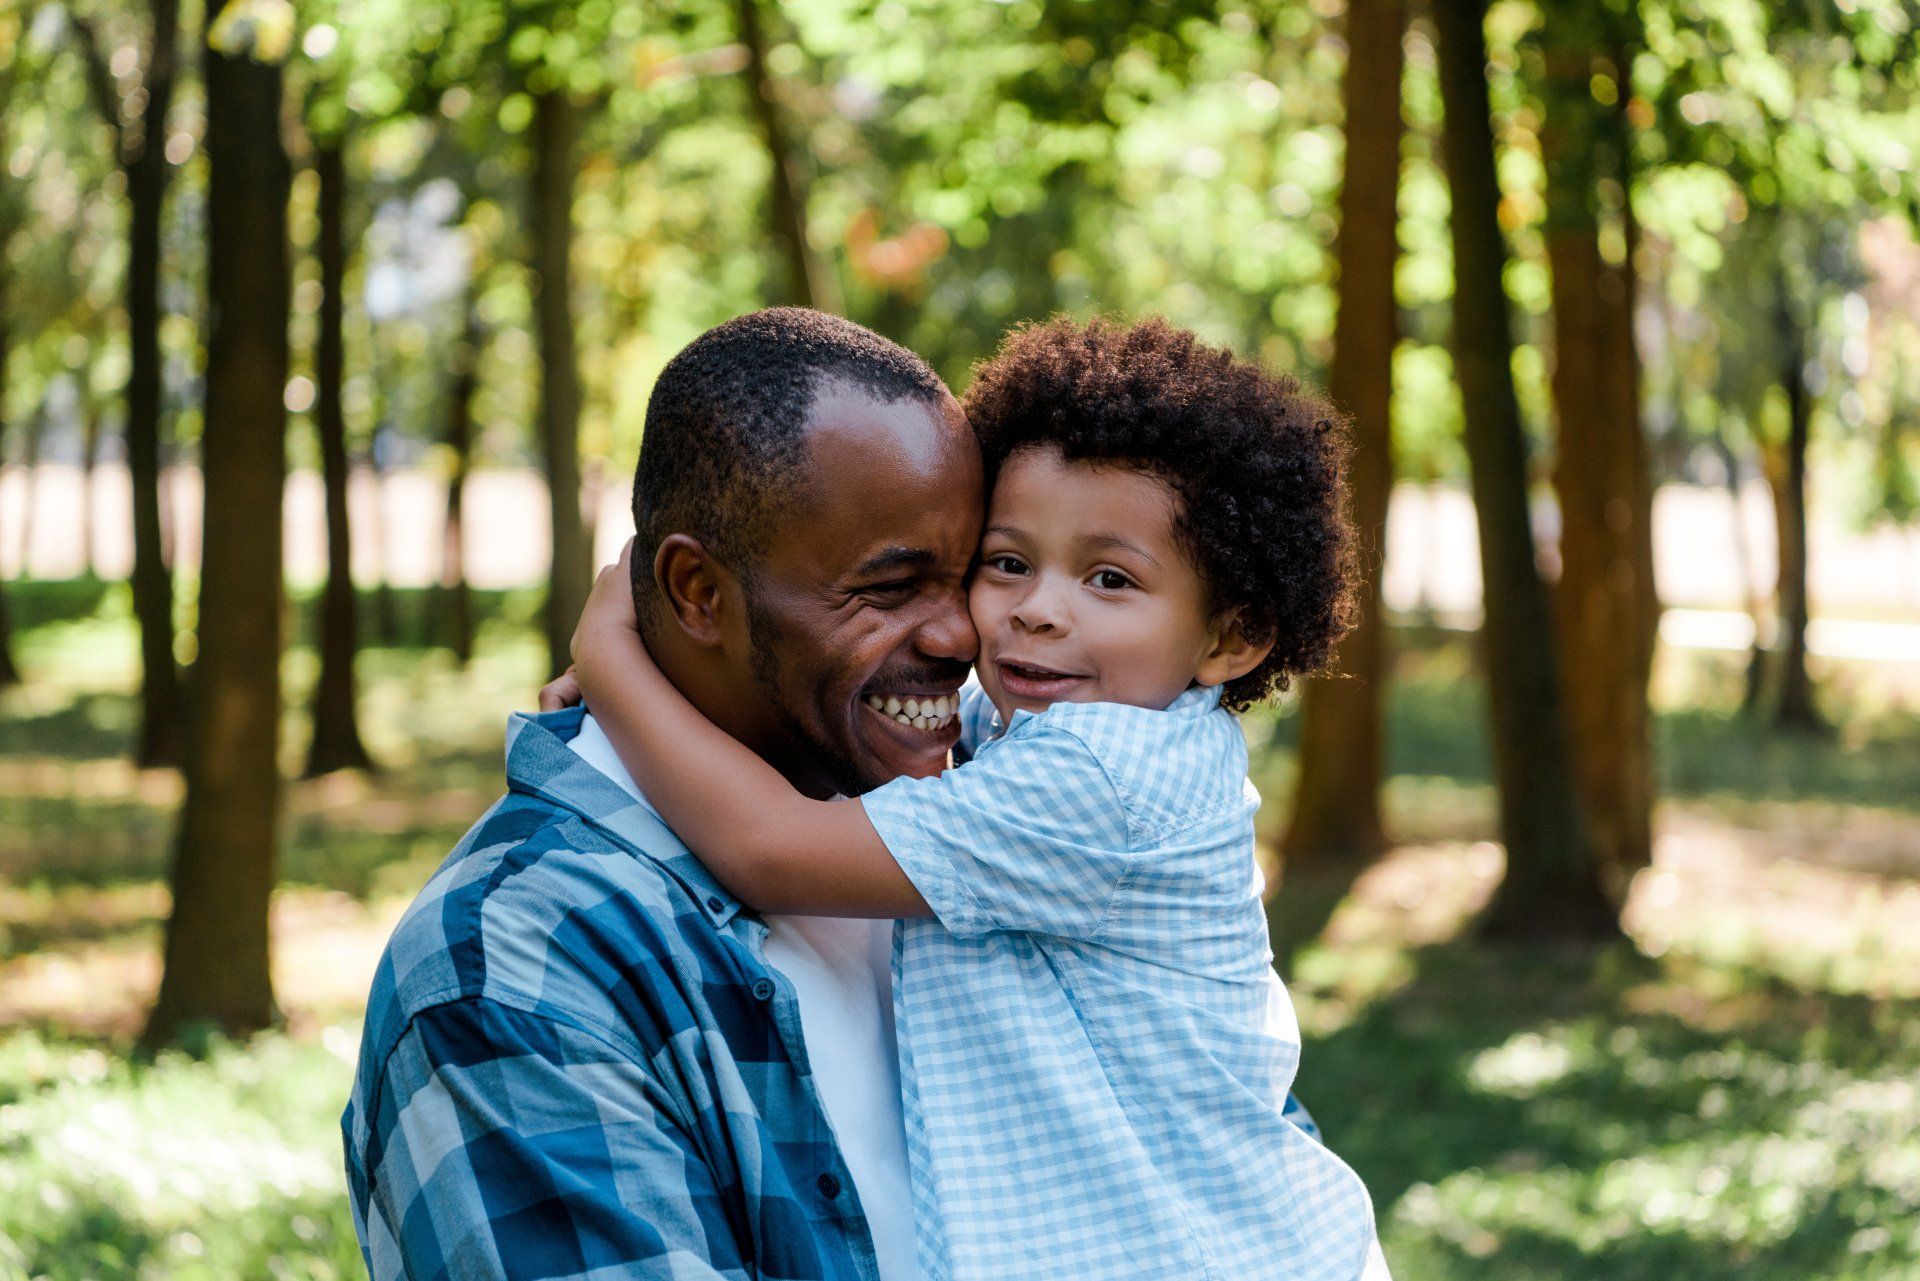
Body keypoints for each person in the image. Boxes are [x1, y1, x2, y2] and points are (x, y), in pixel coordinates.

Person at [567, 316, 1381, 1281]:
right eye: (1006, 562)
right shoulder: (1051, 722)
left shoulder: (1104, 778)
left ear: (1232, 637)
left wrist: (616, 662)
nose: (1037, 606)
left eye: (1110, 577)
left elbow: (767, 845)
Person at [342, 308, 984, 1279]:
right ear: (697, 593)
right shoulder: (510, 969)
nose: (960, 637)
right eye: (890, 588)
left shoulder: (987, 820)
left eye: (975, 575)